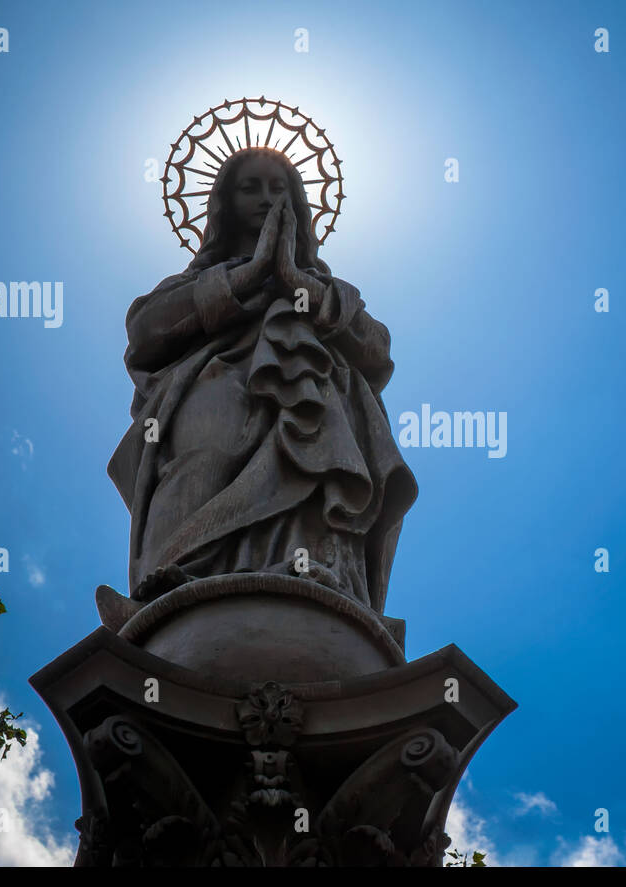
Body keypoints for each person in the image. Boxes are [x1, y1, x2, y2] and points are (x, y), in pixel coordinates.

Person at [105, 147, 417, 619]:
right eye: (250, 187)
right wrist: (248, 277)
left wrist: (296, 281)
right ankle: (166, 591)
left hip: (313, 394)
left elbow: (377, 348)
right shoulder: (197, 279)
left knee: (315, 465)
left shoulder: (326, 289)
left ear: (296, 202)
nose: (266, 198)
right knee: (204, 458)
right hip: (216, 382)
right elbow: (145, 331)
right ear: (224, 202)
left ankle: (318, 575)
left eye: (278, 188)